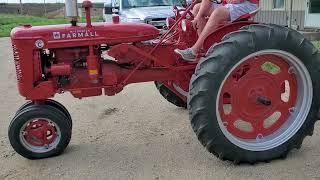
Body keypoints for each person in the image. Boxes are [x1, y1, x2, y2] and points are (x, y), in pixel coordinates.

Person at [174, 0, 259, 61]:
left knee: (218, 13)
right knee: (197, 8)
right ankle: (203, 47)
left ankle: (194, 51)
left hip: (247, 4)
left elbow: (236, 1)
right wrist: (197, 17)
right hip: (229, 3)